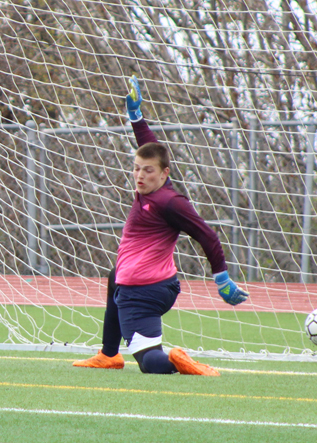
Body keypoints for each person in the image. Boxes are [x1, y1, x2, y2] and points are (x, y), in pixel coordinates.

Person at [72, 76, 249, 375]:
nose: (140, 176)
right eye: (137, 169)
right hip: (158, 285)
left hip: (143, 291)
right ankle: (109, 354)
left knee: (149, 362)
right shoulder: (150, 190)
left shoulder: (169, 202)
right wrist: (136, 116)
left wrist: (221, 279)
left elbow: (206, 234)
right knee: (115, 274)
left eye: (148, 171)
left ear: (164, 174)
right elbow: (149, 147)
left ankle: (174, 357)